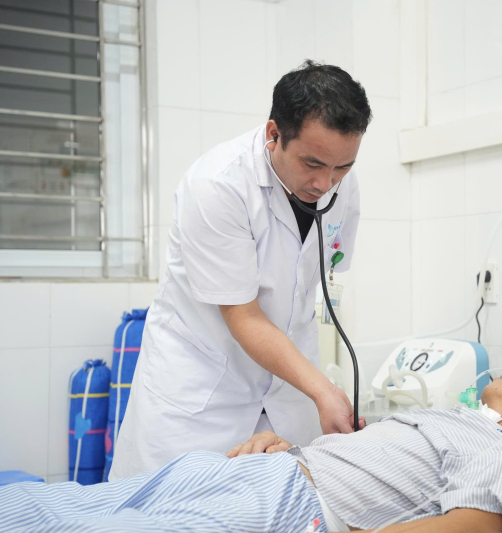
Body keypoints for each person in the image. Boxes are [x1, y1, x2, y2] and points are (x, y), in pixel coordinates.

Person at [109, 61, 371, 481]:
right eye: (312, 164)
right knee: (172, 505)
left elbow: (316, 274)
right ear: (274, 134)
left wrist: (319, 393)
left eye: (343, 167)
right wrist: (324, 390)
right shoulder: (218, 185)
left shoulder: (342, 186)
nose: (326, 184)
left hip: (287, 393)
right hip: (203, 395)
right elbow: (244, 316)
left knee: (287, 503)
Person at [0, 365, 502, 533]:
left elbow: (470, 526)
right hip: (264, 470)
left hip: (292, 507)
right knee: (56, 507)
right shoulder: (462, 423)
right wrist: (287, 448)